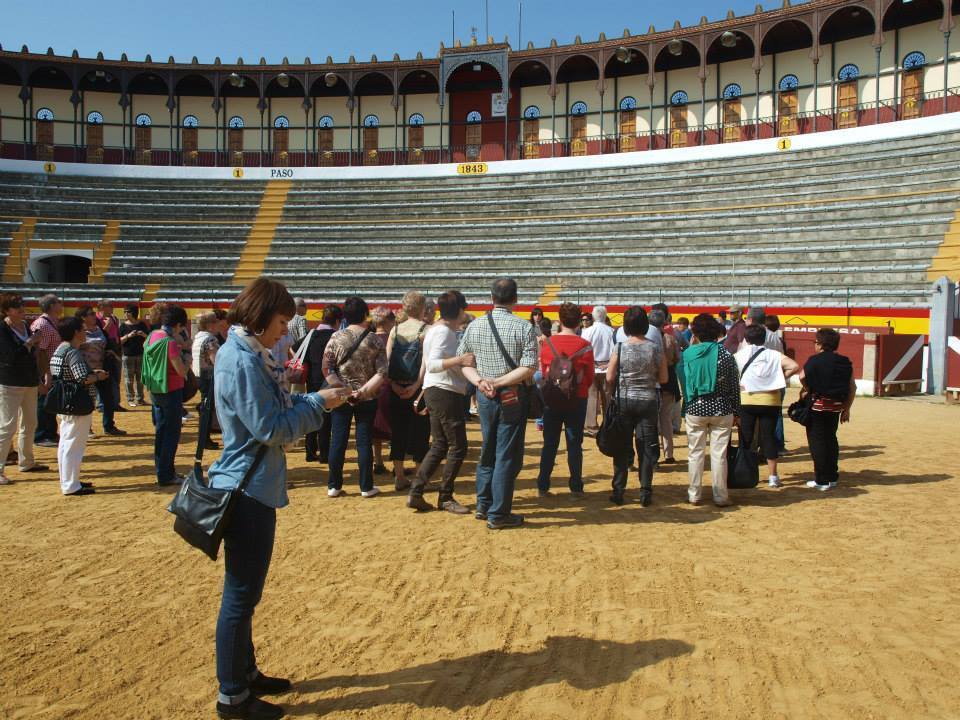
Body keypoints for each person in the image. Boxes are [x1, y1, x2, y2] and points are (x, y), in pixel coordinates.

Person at [207, 277, 348, 720]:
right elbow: (271, 428)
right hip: (247, 490)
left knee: (245, 593)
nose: (284, 331)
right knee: (240, 595)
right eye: (282, 321)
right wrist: (319, 404)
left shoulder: (248, 354)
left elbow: (272, 416)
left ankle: (244, 675)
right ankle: (232, 695)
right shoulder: (244, 361)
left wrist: (311, 398)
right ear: (263, 315)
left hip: (252, 485)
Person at [458, 278, 537, 530]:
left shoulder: (475, 325)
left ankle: (483, 504)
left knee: (488, 448)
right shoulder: (524, 327)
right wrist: (500, 381)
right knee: (506, 454)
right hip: (511, 394)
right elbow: (529, 367)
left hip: (484, 394)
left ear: (491, 298)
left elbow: (465, 362)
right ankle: (499, 512)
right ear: (515, 299)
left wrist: (481, 381)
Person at [407, 290, 475, 514]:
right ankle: (444, 496)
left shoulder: (436, 330)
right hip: (445, 391)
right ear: (460, 310)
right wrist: (460, 359)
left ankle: (417, 491)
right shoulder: (445, 332)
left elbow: (428, 365)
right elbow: (435, 363)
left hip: (436, 389)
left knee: (440, 444)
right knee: (457, 446)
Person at [322, 296, 387, 498]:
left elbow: (327, 368)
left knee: (338, 439)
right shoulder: (374, 339)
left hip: (341, 396)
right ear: (365, 314)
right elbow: (382, 371)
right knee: (363, 441)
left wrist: (344, 389)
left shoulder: (336, 337)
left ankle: (334, 485)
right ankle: (366, 486)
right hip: (366, 397)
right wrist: (363, 391)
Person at [606, 307, 667, 506]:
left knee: (622, 447)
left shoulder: (620, 347)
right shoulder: (655, 348)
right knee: (646, 446)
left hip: (624, 399)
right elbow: (664, 378)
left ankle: (618, 490)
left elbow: (610, 376)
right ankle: (645, 490)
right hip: (648, 399)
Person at [536, 302, 594, 497]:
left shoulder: (547, 344)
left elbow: (544, 373)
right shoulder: (585, 346)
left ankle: (543, 485)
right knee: (574, 443)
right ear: (579, 321)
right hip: (577, 398)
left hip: (552, 398)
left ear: (559, 320)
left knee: (550, 443)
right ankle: (576, 485)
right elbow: (590, 376)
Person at [683, 313, 740, 507]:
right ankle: (720, 495)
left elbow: (684, 381)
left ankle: (694, 494)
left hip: (695, 408)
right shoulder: (726, 355)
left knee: (695, 453)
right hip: (722, 408)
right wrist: (737, 412)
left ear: (695, 333)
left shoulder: (688, 354)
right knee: (719, 454)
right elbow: (734, 386)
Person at [734, 324, 800, 488]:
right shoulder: (774, 354)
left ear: (746, 339)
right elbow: (795, 366)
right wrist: (780, 379)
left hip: (747, 399)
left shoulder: (739, 355)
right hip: (770, 400)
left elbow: (732, 374)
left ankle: (746, 472)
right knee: (768, 437)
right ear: (764, 338)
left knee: (746, 437)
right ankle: (773, 476)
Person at [49, 317, 104, 496]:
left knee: (66, 443)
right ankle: (71, 485)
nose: (85, 331)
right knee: (73, 445)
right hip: (77, 402)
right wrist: (98, 377)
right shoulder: (72, 352)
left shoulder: (60, 349)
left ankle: (70, 481)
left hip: (65, 401)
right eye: (82, 329)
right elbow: (82, 378)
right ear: (75, 332)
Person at [800, 328, 856, 492]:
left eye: (815, 342)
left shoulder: (815, 360)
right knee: (831, 439)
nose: (814, 345)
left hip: (818, 405)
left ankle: (821, 479)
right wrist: (847, 408)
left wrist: (808, 389)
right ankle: (832, 477)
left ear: (821, 344)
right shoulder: (845, 361)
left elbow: (802, 376)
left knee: (817, 442)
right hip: (836, 407)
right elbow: (852, 387)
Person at [0, 293, 48, 484]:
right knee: (7, 427)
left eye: (21, 305)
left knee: (29, 423)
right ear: (6, 310)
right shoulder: (2, 329)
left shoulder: (25, 327)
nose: (21, 309)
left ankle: (26, 461)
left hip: (28, 381)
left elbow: (31, 357)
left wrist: (38, 379)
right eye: (15, 306)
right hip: (10, 382)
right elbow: (10, 356)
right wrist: (30, 342)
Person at [385, 291, 431, 491]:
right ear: (422, 308)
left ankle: (399, 476)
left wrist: (394, 385)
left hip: (397, 387)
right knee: (421, 431)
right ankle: (420, 477)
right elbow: (426, 362)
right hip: (418, 388)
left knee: (398, 432)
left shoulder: (395, 330)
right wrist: (416, 385)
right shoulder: (426, 330)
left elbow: (386, 361)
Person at [145, 305, 189, 486]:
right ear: (178, 324)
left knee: (161, 432)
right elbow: (181, 371)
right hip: (171, 390)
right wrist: (187, 359)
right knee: (171, 434)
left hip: (156, 388)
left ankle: (162, 470)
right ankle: (166, 474)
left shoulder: (152, 336)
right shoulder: (169, 342)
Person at [77, 306, 126, 436]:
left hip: (102, 370)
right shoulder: (79, 332)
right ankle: (87, 428)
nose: (94, 316)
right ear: (83, 317)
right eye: (91, 314)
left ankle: (109, 426)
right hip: (86, 371)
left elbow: (108, 345)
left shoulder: (100, 330)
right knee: (88, 400)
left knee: (108, 399)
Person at [303, 305, 342, 464]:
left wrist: (308, 363)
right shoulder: (337, 336)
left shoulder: (312, 334)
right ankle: (324, 454)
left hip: (312, 379)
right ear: (338, 321)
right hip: (329, 380)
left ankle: (310, 451)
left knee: (312, 413)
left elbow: (293, 349)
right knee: (326, 418)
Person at [647, 309, 681, 463]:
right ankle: (669, 454)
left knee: (651, 420)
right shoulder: (670, 338)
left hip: (652, 381)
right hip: (668, 380)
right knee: (666, 418)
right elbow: (677, 358)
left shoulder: (646, 340)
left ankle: (653, 454)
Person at [30, 293, 63, 447]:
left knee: (51, 402)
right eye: (58, 302)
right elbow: (39, 352)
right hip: (47, 370)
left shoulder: (51, 322)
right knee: (44, 402)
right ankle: (41, 435)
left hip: (53, 369)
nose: (61, 304)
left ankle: (50, 432)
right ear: (51, 306)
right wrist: (46, 374)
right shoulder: (42, 325)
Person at [581, 305, 615, 437]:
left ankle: (592, 426)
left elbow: (584, 351)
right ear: (605, 316)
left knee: (592, 397)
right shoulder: (611, 331)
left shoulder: (587, 331)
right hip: (607, 368)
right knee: (607, 397)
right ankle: (607, 425)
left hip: (592, 367)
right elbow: (615, 350)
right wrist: (607, 363)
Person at [369, 306, 395, 474]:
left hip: (371, 387)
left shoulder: (368, 339)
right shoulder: (394, 339)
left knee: (375, 426)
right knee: (396, 426)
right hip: (391, 387)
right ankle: (396, 465)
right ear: (388, 321)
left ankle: (377, 461)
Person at [192, 311, 222, 450]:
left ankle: (204, 438)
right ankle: (204, 439)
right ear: (210, 325)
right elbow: (216, 360)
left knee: (206, 407)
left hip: (198, 376)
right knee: (208, 408)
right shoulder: (210, 339)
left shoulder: (198, 337)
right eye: (215, 321)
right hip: (209, 376)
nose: (218, 324)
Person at [97, 301, 125, 413]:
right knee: (103, 379)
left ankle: (115, 403)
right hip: (104, 352)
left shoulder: (114, 318)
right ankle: (101, 404)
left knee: (116, 378)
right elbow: (101, 335)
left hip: (115, 350)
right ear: (102, 307)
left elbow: (117, 335)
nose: (112, 308)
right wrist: (107, 325)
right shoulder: (96, 320)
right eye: (110, 306)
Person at [119, 304, 148, 407]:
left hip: (140, 354)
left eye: (128, 312)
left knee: (140, 379)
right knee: (128, 379)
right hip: (128, 355)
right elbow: (119, 341)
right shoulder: (123, 326)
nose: (126, 314)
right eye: (125, 312)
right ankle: (130, 398)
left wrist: (143, 334)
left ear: (134, 313)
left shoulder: (142, 325)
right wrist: (128, 336)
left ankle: (140, 399)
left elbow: (149, 338)